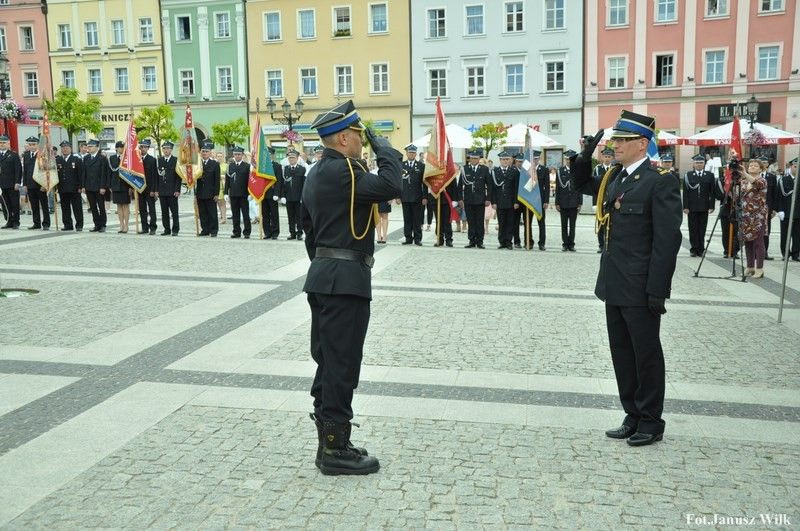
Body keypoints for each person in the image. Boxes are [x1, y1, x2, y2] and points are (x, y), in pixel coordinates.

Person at [301, 100, 401, 475]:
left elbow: (308, 230)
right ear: (343, 137)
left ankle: (331, 442)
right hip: (345, 281)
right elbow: (393, 184)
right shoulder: (344, 171)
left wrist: (326, 265)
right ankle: (334, 451)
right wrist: (385, 148)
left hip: (327, 276)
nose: (362, 142)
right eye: (359, 136)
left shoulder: (317, 172)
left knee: (330, 361)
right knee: (342, 364)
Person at [571, 110, 682, 447]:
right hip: (614, 283)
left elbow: (667, 241)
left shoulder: (660, 180)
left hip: (641, 286)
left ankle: (651, 420)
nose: (614, 144)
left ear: (642, 144)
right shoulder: (614, 177)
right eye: (614, 139)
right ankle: (632, 413)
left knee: (646, 354)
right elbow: (581, 183)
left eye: (622, 140)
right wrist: (584, 155)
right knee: (622, 352)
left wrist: (658, 290)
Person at [739, 158, 769, 277]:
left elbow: (756, 184)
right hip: (745, 215)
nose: (752, 167)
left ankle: (759, 268)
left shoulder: (763, 180)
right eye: (750, 165)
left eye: (755, 166)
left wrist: (745, 173)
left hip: (758, 215)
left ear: (761, 169)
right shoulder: (744, 181)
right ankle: (750, 266)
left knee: (758, 242)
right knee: (748, 241)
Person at [683, 154, 716, 257]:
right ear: (693, 164)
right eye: (697, 163)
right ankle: (693, 249)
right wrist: (685, 206)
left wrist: (712, 206)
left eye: (701, 163)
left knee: (702, 229)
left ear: (704, 164)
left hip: (704, 207)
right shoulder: (688, 175)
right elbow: (685, 192)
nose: (699, 164)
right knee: (692, 229)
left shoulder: (709, 175)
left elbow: (712, 192)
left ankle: (701, 249)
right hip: (692, 207)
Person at [460, 149, 490, 249]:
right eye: (472, 158)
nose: (473, 160)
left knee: (480, 221)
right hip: (468, 200)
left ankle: (480, 241)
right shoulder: (465, 169)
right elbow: (460, 185)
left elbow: (489, 185)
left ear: (479, 159)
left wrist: (488, 198)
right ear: (469, 158)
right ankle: (471, 240)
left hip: (480, 200)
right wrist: (460, 199)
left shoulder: (484, 169)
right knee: (471, 221)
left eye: (475, 158)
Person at [490, 151, 520, 250]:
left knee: (510, 223)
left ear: (510, 160)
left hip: (511, 202)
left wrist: (516, 201)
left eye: (507, 159)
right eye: (503, 159)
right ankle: (502, 241)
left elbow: (516, 188)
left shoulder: (514, 171)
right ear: (500, 160)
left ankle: (508, 242)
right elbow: (492, 189)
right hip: (499, 202)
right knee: (501, 222)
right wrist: (493, 202)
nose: (505, 161)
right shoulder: (495, 171)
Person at [554, 150, 582, 252]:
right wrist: (557, 202)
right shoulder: (560, 171)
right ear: (564, 159)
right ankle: (565, 244)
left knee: (573, 226)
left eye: (571, 159)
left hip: (574, 202)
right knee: (564, 225)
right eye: (567, 159)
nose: (568, 161)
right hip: (563, 202)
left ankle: (572, 244)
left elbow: (580, 188)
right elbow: (558, 188)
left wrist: (580, 202)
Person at [55, 140, 85, 231]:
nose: (65, 149)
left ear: (70, 149)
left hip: (74, 188)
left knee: (77, 208)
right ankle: (67, 225)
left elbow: (81, 174)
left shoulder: (76, 160)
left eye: (66, 148)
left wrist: (81, 186)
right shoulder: (58, 160)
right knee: (65, 208)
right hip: (62, 188)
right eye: (63, 148)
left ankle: (79, 225)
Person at [400, 144, 426, 245]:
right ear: (406, 153)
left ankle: (418, 238)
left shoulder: (421, 166)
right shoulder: (401, 165)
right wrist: (398, 196)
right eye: (410, 152)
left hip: (417, 197)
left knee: (417, 219)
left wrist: (425, 196)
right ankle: (408, 238)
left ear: (416, 154)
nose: (412, 154)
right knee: (407, 219)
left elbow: (424, 183)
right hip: (405, 196)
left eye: (413, 153)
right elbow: (398, 182)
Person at [22, 136, 50, 230]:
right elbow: (25, 170)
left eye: (34, 144)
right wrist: (25, 184)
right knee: (34, 205)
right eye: (30, 144)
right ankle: (36, 223)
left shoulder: (42, 154)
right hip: (30, 184)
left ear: (38, 145)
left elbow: (47, 170)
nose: (32, 146)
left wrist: (45, 184)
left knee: (44, 205)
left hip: (40, 184)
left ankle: (46, 223)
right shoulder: (26, 155)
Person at [713, 163, 739, 259]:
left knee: (736, 232)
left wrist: (735, 195)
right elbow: (718, 195)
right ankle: (727, 250)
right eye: (726, 169)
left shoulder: (738, 181)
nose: (728, 171)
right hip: (725, 209)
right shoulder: (720, 181)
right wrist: (727, 194)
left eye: (730, 169)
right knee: (726, 231)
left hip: (736, 209)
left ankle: (735, 251)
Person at [83, 139, 109, 232]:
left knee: (101, 207)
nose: (89, 148)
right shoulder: (86, 158)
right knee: (93, 207)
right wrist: (83, 186)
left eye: (91, 146)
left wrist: (103, 187)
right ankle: (96, 224)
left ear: (97, 147)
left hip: (99, 187)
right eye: (88, 146)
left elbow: (104, 174)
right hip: (89, 186)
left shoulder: (102, 158)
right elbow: (84, 173)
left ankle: (103, 225)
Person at [225, 146, 251, 239]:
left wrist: (250, 194)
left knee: (245, 214)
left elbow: (250, 181)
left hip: (244, 194)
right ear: (233, 155)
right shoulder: (230, 166)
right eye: (235, 154)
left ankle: (247, 232)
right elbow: (228, 180)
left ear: (242, 155)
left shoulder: (247, 166)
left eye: (239, 154)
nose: (237, 156)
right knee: (235, 214)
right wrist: (225, 193)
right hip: (233, 194)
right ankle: (236, 232)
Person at [592, 147, 615, 252]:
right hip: (600, 200)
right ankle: (601, 245)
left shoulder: (615, 168)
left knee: (611, 223)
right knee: (600, 223)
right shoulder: (597, 169)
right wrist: (595, 203)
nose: (607, 159)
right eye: (605, 156)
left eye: (609, 157)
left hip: (611, 200)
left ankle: (609, 245)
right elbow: (594, 187)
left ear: (612, 157)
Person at [196, 141, 220, 237]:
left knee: (212, 213)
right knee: (202, 212)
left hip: (211, 193)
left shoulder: (214, 164)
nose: (204, 153)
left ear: (210, 153)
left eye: (206, 151)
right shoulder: (198, 164)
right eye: (203, 151)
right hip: (200, 192)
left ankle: (214, 230)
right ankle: (205, 229)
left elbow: (217, 180)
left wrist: (216, 194)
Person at [777, 158, 799, 261]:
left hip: (798, 212)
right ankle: (785, 254)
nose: (797, 168)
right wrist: (780, 210)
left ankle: (796, 254)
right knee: (785, 235)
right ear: (791, 167)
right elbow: (779, 195)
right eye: (795, 166)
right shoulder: (783, 180)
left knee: (797, 235)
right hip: (786, 211)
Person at [282, 149, 306, 240]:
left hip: (298, 197)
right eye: (290, 158)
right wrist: (283, 195)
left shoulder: (302, 169)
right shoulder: (286, 169)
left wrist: (302, 197)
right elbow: (283, 184)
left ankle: (299, 233)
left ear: (297, 158)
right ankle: (292, 233)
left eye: (293, 158)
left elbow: (304, 184)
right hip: (289, 197)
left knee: (299, 216)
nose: (291, 159)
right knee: (290, 217)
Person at [157, 140, 180, 236]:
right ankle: (166, 229)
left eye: (168, 149)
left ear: (171, 150)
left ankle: (175, 229)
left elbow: (178, 176)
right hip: (162, 191)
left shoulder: (176, 160)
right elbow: (157, 177)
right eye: (164, 148)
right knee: (164, 212)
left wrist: (177, 190)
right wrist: (157, 190)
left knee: (174, 212)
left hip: (172, 190)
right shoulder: (159, 160)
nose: (166, 150)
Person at [108, 141, 132, 233]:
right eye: (121, 147)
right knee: (118, 205)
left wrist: (131, 186)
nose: (122, 149)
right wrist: (109, 185)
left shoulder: (127, 158)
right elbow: (109, 172)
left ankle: (126, 225)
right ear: (117, 148)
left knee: (125, 205)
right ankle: (121, 224)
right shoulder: (112, 158)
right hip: (115, 185)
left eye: (123, 147)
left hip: (125, 185)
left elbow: (131, 173)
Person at [0, 135, 23, 229]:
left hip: (12, 184)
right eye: (0, 143)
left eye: (4, 143)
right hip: (1, 184)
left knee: (14, 204)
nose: (2, 144)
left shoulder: (13, 155)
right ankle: (9, 220)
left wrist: (17, 182)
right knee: (5, 204)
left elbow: (18, 170)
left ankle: (16, 222)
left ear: (8, 143)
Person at [137, 139, 158, 235]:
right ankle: (144, 227)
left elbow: (155, 176)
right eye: (141, 147)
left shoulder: (152, 160)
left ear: (148, 148)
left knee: (151, 209)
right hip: (139, 187)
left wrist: (154, 189)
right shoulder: (137, 160)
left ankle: (153, 227)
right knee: (142, 209)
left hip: (149, 189)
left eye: (145, 147)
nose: (143, 149)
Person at [760, 156, 778, 261]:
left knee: (767, 231)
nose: (763, 164)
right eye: (761, 162)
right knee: (755, 230)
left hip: (767, 208)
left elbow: (774, 194)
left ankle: (764, 252)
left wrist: (774, 209)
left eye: (765, 162)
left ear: (767, 164)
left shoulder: (772, 177)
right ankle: (755, 252)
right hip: (755, 208)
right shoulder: (754, 176)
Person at [263, 146, 283, 239]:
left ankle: (275, 232)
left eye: (269, 154)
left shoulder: (277, 166)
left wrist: (277, 193)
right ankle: (267, 232)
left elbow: (279, 181)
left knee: (274, 214)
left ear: (272, 155)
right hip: (263, 193)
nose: (268, 156)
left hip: (273, 193)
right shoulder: (261, 166)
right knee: (265, 214)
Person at [531, 150, 550, 251]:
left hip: (540, 199)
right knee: (527, 222)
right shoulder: (527, 169)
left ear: (539, 159)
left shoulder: (544, 169)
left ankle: (541, 243)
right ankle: (528, 241)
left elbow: (546, 186)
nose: (534, 160)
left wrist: (546, 201)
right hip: (529, 199)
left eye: (536, 158)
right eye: (533, 158)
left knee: (541, 223)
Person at [372, 159, 392, 244]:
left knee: (384, 216)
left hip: (385, 196)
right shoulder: (372, 172)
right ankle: (378, 236)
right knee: (377, 217)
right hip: (375, 196)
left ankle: (384, 236)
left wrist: (391, 197)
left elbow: (391, 185)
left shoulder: (388, 172)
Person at [216, 151, 228, 225]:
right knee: (218, 202)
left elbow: (228, 175)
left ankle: (224, 218)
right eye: (218, 156)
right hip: (216, 185)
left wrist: (222, 176)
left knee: (222, 202)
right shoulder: (215, 164)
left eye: (221, 156)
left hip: (223, 185)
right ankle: (221, 215)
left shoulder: (226, 165)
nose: (219, 157)